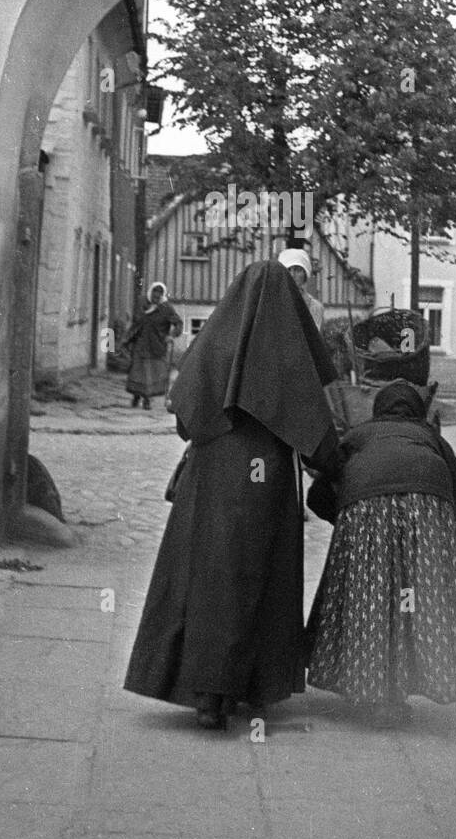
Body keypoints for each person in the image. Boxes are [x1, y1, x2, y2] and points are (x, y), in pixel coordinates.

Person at [124, 259, 340, 730]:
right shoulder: (288, 354)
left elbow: (184, 420)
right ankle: (248, 686)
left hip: (213, 479)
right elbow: (320, 440)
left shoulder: (214, 343)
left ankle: (206, 696)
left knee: (207, 578)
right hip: (268, 487)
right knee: (256, 581)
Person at [305, 360, 456, 728]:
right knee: (415, 598)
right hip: (427, 509)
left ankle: (373, 691)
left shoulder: (358, 435)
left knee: (371, 596)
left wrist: (348, 522)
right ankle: (403, 689)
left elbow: (318, 495)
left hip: (365, 509)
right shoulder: (431, 438)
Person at [123, 281, 182, 409]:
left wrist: (171, 335)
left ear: (163, 295)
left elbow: (178, 323)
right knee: (137, 372)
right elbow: (136, 324)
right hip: (140, 344)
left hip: (156, 346)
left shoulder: (166, 308)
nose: (157, 297)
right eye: (155, 293)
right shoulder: (143, 305)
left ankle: (146, 399)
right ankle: (136, 396)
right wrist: (127, 339)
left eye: (159, 294)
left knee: (150, 374)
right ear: (150, 293)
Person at [277, 247, 324, 331]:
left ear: (305, 274)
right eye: (288, 270)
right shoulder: (272, 302)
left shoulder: (315, 306)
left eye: (298, 270)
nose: (292, 274)